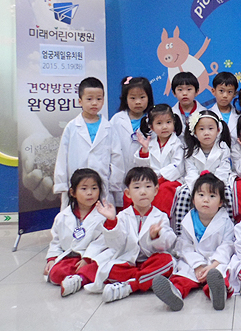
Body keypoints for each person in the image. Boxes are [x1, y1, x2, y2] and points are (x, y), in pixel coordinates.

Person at [91, 167, 177, 302]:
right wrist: (112, 221)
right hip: (128, 264)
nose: (143, 192)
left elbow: (168, 243)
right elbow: (115, 244)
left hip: (150, 261)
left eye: (148, 186)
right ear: (128, 193)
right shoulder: (122, 216)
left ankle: (130, 286)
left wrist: (156, 236)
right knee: (110, 269)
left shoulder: (161, 216)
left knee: (167, 261)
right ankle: (146, 281)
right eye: (136, 187)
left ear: (156, 191)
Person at [152, 172, 234, 311]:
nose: (206, 200)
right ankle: (175, 293)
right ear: (194, 200)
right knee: (183, 275)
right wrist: (197, 266)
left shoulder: (226, 221)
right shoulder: (188, 220)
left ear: (220, 202)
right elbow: (185, 245)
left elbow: (228, 245)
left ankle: (216, 293)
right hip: (194, 262)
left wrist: (213, 265)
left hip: (216, 261)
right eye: (201, 195)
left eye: (212, 196)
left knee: (221, 274)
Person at [53, 77, 123, 209]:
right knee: (76, 215)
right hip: (77, 185)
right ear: (80, 101)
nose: (94, 103)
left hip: (101, 184)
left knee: (102, 217)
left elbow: (117, 158)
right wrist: (62, 184)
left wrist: (114, 183)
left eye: (99, 99)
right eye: (89, 99)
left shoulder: (109, 127)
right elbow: (62, 157)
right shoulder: (72, 127)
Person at [44, 168, 107, 297]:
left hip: (92, 257)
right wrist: (51, 259)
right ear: (73, 192)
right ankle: (81, 277)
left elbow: (102, 242)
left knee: (104, 265)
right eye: (84, 189)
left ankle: (79, 279)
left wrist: (87, 258)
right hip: (71, 258)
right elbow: (56, 241)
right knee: (56, 273)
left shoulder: (103, 215)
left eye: (94, 188)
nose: (90, 193)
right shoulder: (62, 217)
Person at [172, 110, 234, 234]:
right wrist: (198, 187)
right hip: (196, 184)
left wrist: (214, 185)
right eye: (201, 129)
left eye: (210, 128)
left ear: (218, 130)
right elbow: (191, 172)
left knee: (227, 193)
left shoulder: (223, 148)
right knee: (184, 194)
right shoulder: (190, 150)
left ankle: (229, 228)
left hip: (218, 182)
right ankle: (180, 231)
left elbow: (224, 170)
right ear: (194, 132)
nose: (206, 133)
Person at [110, 76, 155, 207]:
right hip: (121, 173)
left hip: (146, 173)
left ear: (149, 97)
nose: (138, 102)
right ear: (125, 99)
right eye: (133, 98)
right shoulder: (117, 120)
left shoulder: (153, 120)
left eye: (142, 97)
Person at [134, 104, 184, 216]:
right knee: (136, 190)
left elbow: (178, 166)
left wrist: (160, 178)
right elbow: (142, 167)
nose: (164, 127)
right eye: (159, 123)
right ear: (151, 127)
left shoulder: (177, 144)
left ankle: (161, 218)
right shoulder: (150, 143)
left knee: (163, 190)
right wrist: (144, 151)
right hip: (152, 180)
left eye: (168, 122)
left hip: (171, 180)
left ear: (174, 123)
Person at [209, 72, 239, 138]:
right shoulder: (207, 115)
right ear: (213, 91)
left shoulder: (240, 116)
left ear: (234, 94)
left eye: (230, 92)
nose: (225, 95)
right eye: (221, 91)